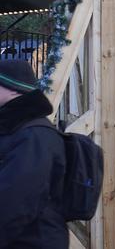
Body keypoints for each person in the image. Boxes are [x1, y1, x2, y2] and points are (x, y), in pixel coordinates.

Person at [0, 60, 68, 248]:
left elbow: (16, 203)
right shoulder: (14, 129)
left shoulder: (35, 135)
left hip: (34, 241)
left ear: (13, 89)